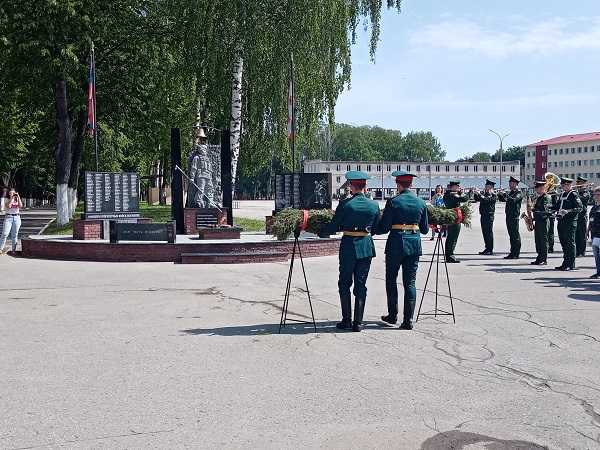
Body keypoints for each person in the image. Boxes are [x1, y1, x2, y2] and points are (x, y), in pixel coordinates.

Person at [320, 171, 380, 332]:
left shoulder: (345, 204)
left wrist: (320, 230)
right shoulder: (374, 205)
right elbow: (376, 229)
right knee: (361, 284)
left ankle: (346, 320)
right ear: (365, 186)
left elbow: (334, 226)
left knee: (344, 283)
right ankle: (358, 323)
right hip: (365, 246)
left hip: (348, 246)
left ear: (351, 186)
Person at [376, 171, 429, 330]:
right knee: (410, 283)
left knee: (391, 280)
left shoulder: (393, 202)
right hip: (414, 244)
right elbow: (425, 229)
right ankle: (408, 320)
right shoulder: (421, 202)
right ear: (411, 185)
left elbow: (385, 227)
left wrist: (373, 229)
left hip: (396, 244)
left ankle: (392, 315)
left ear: (398, 185)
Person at [553, 177, 583, 271]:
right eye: (562, 185)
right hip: (561, 221)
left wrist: (568, 211)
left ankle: (571, 264)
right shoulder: (562, 194)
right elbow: (557, 206)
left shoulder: (573, 194)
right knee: (564, 243)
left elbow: (579, 208)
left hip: (570, 222)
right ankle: (565, 263)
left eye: (565, 185)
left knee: (570, 243)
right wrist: (549, 208)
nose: (563, 187)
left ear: (569, 185)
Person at [443, 181, 469, 263]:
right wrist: (463, 193)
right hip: (454, 218)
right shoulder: (452, 194)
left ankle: (449, 255)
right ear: (453, 187)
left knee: (450, 237)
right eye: (457, 186)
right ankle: (450, 256)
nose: (459, 188)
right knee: (453, 238)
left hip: (452, 217)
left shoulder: (448, 194)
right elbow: (464, 199)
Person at [498, 176, 523, 259]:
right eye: (510, 183)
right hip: (509, 216)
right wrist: (501, 195)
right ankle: (512, 252)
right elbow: (504, 200)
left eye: (512, 183)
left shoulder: (519, 192)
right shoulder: (511, 192)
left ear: (516, 184)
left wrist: (506, 194)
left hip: (514, 216)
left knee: (515, 235)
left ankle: (516, 253)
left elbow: (513, 200)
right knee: (511, 235)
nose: (510, 185)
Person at [472, 179, 497, 255]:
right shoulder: (485, 194)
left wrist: (480, 194)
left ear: (491, 187)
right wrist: (475, 193)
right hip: (483, 215)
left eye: (488, 186)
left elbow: (486, 200)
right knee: (485, 232)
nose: (486, 188)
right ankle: (487, 248)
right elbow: (477, 199)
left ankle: (490, 249)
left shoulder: (493, 195)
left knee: (488, 232)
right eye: (486, 186)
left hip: (489, 216)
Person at [531, 181, 552, 265]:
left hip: (543, 221)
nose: (536, 190)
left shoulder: (546, 197)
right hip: (538, 221)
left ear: (542, 188)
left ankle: (544, 259)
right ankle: (539, 257)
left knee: (543, 240)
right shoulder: (539, 197)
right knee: (538, 240)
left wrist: (534, 209)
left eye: (537, 188)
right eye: (536, 188)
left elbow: (544, 210)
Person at [0, 188, 23, 254]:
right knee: (5, 234)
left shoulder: (17, 199)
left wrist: (18, 196)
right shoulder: (6, 199)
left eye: (13, 193)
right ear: (8, 193)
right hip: (8, 218)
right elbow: (9, 206)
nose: (12, 194)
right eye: (10, 193)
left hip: (17, 218)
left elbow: (20, 206)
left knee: (14, 235)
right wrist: (11, 198)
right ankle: (0, 248)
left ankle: (13, 250)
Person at [576, 176, 591, 257]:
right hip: (576, 216)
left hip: (582, 216)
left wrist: (575, 194)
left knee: (582, 234)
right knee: (576, 234)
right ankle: (577, 251)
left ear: (583, 183)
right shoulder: (576, 192)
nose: (577, 184)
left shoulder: (586, 192)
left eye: (579, 182)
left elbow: (581, 200)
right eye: (577, 182)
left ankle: (582, 251)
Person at [588, 187, 600, 278]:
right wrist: (587, 230)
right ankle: (598, 272)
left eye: (598, 195)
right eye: (595, 195)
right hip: (594, 234)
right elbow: (591, 220)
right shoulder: (594, 207)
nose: (596, 196)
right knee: (596, 255)